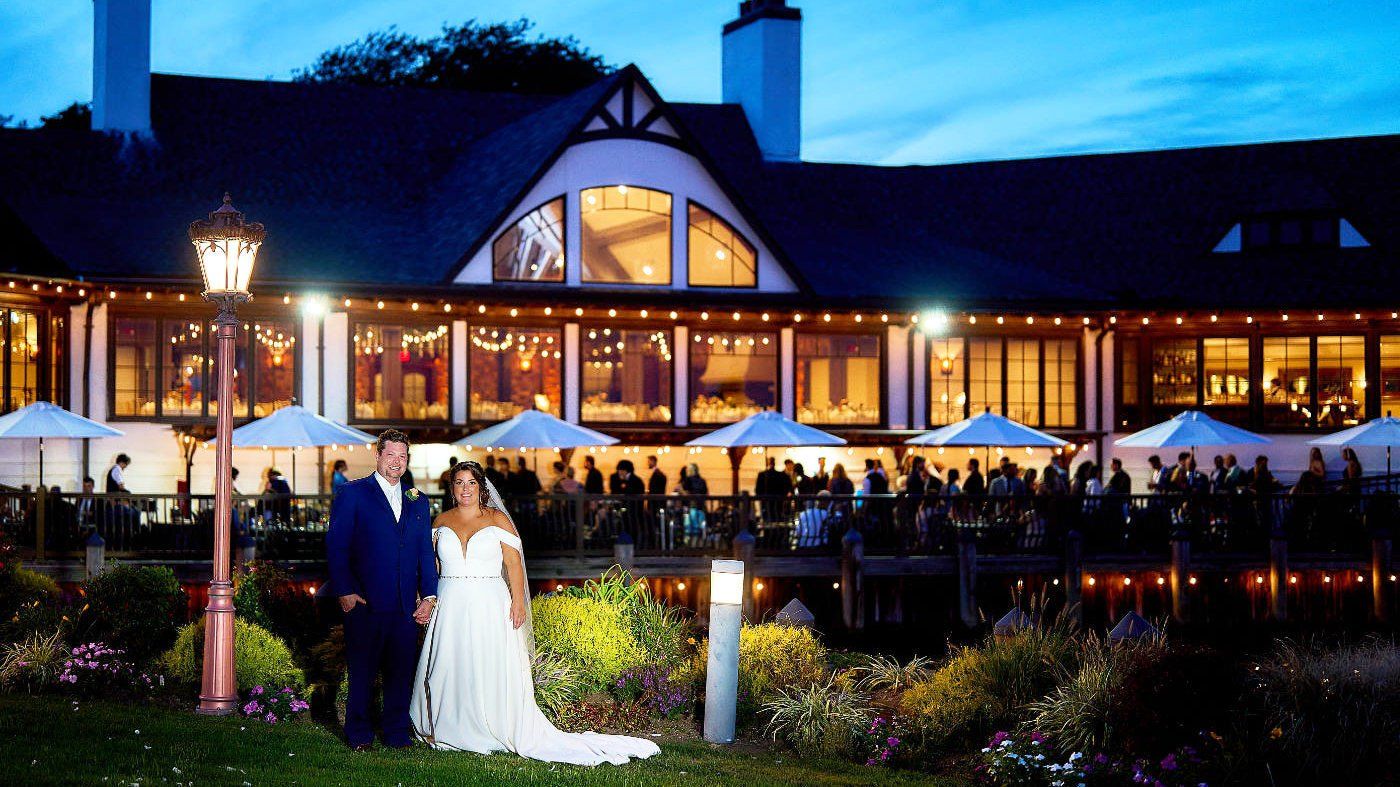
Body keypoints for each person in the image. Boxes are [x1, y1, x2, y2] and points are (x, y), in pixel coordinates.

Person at [410, 460, 659, 764]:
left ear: (481, 487)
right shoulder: (440, 522)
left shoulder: (497, 519)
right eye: (459, 482)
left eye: (471, 482)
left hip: (489, 601)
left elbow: (513, 564)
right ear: (451, 488)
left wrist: (517, 602)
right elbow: (432, 567)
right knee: (449, 662)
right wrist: (429, 599)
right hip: (450, 602)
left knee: (487, 662)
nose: (465, 488)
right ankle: (447, 725)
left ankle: (489, 724)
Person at [326, 429, 437, 751]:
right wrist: (344, 591)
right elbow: (337, 546)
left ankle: (396, 733)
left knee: (400, 673)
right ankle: (359, 734)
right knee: (362, 671)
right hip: (364, 601)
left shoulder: (418, 500)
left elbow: (424, 554)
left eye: (402, 457)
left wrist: (428, 596)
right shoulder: (353, 494)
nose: (396, 462)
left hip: (405, 604)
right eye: (391, 455)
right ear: (377, 456)